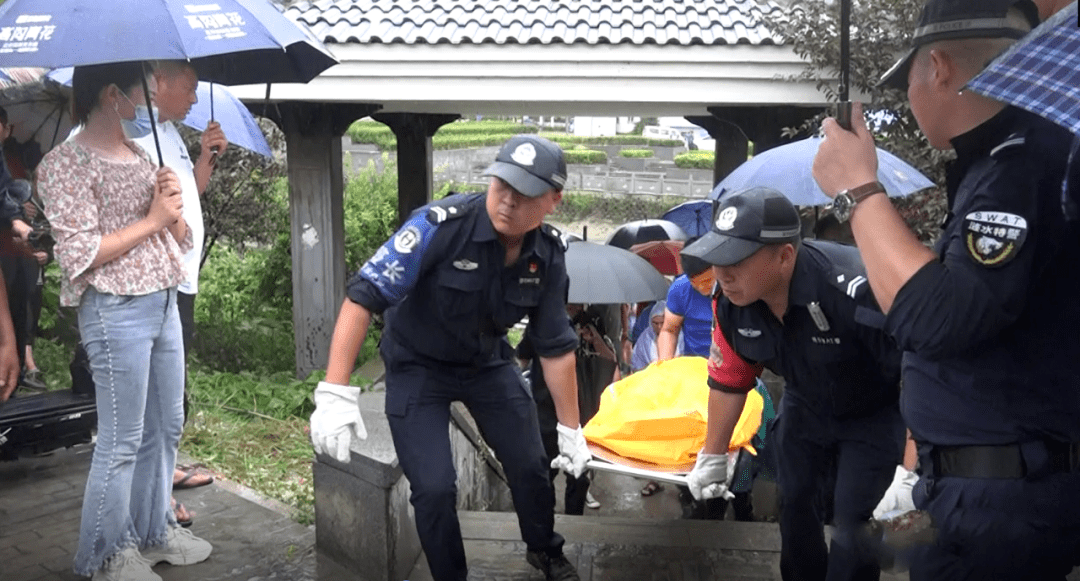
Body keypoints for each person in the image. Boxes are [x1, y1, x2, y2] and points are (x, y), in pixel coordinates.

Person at [812, 0, 1080, 578]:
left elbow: (937, 317)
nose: (907, 98)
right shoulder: (1000, 165)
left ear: (937, 66)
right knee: (875, 552)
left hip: (997, 502)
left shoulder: (1019, 166)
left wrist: (858, 187)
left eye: (907, 79)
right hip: (962, 487)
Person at [310, 134, 587, 581]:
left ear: (554, 200)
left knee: (531, 464)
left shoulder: (549, 254)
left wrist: (572, 429)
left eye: (525, 194)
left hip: (486, 363)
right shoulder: (440, 226)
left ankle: (544, 549)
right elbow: (362, 297)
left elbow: (555, 345)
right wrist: (335, 390)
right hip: (418, 365)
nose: (509, 201)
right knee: (435, 488)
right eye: (502, 186)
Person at [35, 61, 211, 581]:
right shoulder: (64, 165)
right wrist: (153, 219)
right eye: (147, 94)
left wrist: (173, 208)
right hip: (115, 310)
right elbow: (79, 255)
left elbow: (176, 237)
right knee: (122, 438)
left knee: (166, 424)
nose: (154, 103)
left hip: (162, 300)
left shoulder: (141, 155)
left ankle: (153, 531)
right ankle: (105, 553)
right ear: (114, 95)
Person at [681, 187, 905, 581]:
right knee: (795, 504)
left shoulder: (852, 289)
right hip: (806, 402)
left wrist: (912, 466)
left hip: (873, 409)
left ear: (784, 256)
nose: (723, 274)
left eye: (735, 259)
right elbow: (730, 377)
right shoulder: (732, 302)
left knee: (853, 516)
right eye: (717, 258)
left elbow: (916, 372)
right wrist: (712, 456)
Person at [130, 60, 226, 506]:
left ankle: (166, 472)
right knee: (154, 395)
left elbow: (191, 196)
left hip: (184, 279)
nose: (193, 98)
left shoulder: (169, 132)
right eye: (188, 88)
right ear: (158, 82)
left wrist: (205, 158)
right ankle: (156, 495)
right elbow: (148, 215)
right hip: (159, 281)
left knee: (171, 392)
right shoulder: (136, 134)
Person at [630, 300, 684, 372]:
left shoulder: (679, 335)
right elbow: (637, 364)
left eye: (662, 322)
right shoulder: (645, 338)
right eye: (655, 323)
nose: (659, 326)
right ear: (650, 322)